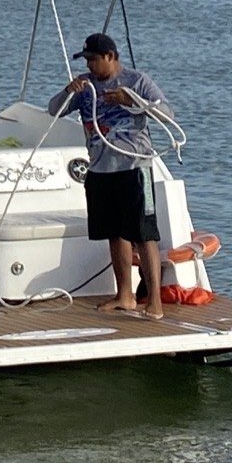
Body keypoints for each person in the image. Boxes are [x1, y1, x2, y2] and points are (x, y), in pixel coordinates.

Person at [49, 33, 172, 321]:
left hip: (134, 168)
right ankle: (124, 295)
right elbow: (53, 111)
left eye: (94, 60)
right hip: (100, 169)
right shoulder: (85, 86)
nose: (90, 65)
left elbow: (167, 114)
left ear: (110, 56)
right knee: (114, 234)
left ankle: (154, 301)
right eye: (87, 60)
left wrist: (131, 99)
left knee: (144, 235)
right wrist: (69, 90)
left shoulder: (136, 81)